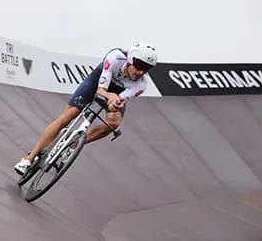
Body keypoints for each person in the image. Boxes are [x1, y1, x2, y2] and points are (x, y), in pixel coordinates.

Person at [14, 41, 157, 175]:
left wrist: (114, 104)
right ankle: (29, 159)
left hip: (116, 94)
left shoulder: (141, 84)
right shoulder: (115, 56)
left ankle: (75, 143)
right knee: (68, 116)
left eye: (147, 69)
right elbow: (100, 91)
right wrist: (110, 96)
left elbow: (118, 102)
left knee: (113, 123)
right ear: (130, 59)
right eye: (139, 66)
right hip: (97, 83)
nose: (141, 72)